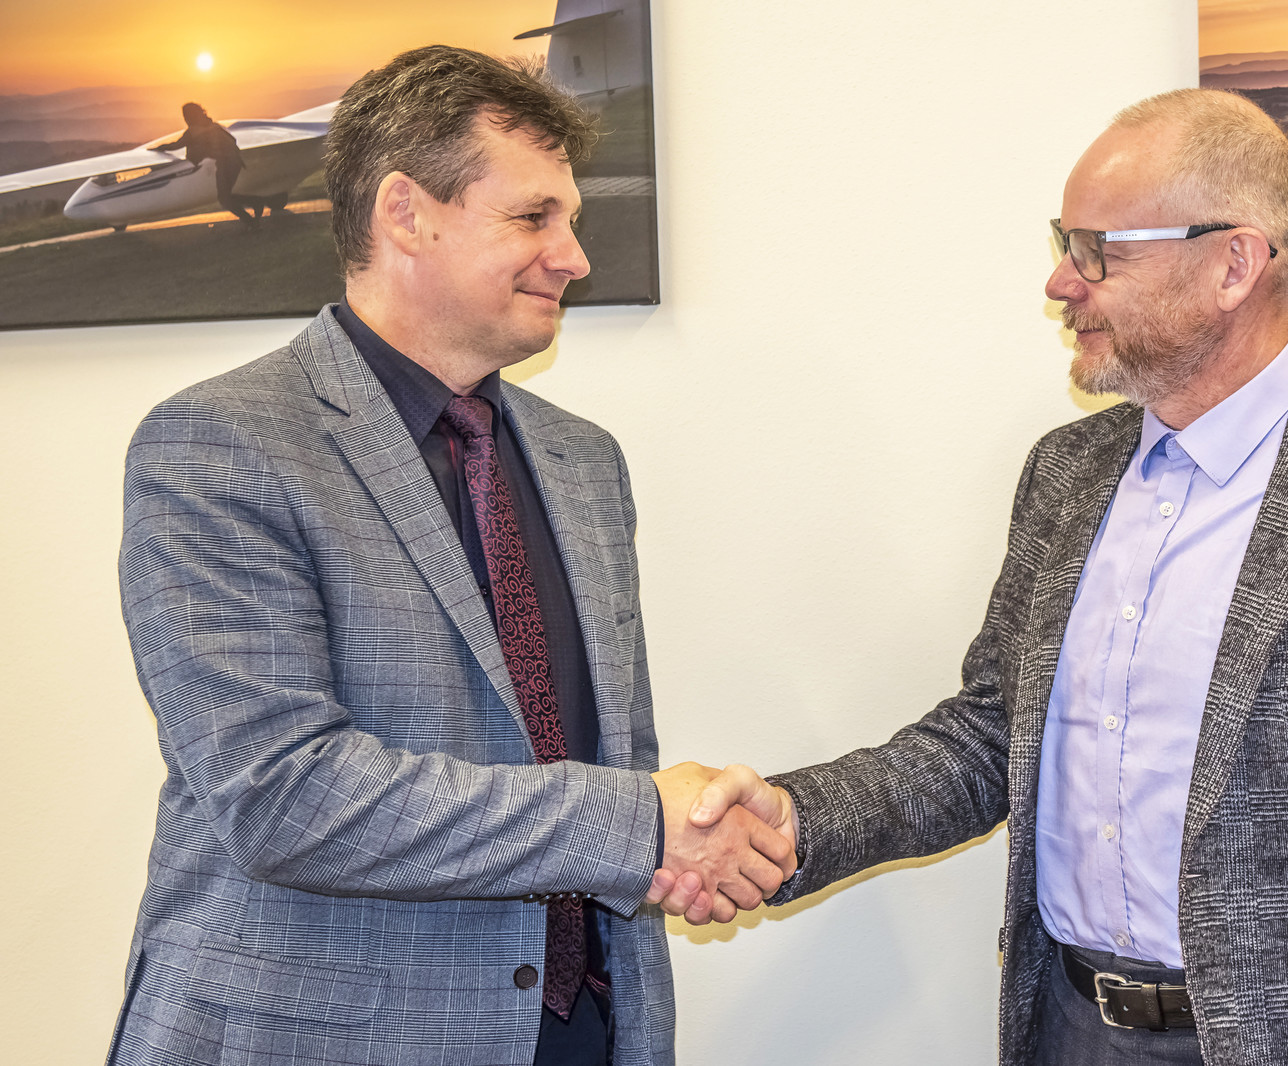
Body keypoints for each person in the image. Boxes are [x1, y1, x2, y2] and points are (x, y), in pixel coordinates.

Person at [649, 88, 1288, 1065]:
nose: (1061, 282)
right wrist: (793, 819)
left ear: (1234, 264)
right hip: (1069, 1028)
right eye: (1065, 243)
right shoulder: (1065, 474)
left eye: (1098, 250)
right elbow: (991, 736)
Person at [108, 46, 792, 1066]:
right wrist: (642, 822)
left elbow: (611, 758)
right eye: (534, 217)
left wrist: (679, 842)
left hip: (577, 1030)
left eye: (571, 219)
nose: (574, 257)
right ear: (406, 214)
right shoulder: (221, 444)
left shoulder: (583, 463)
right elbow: (284, 796)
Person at [150, 102, 275, 223]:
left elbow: (176, 145)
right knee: (225, 196)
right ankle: (255, 205)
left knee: (224, 199)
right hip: (235, 161)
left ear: (188, 116)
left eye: (184, 116)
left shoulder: (193, 131)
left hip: (225, 163)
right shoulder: (214, 126)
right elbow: (232, 140)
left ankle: (252, 218)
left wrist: (157, 148)